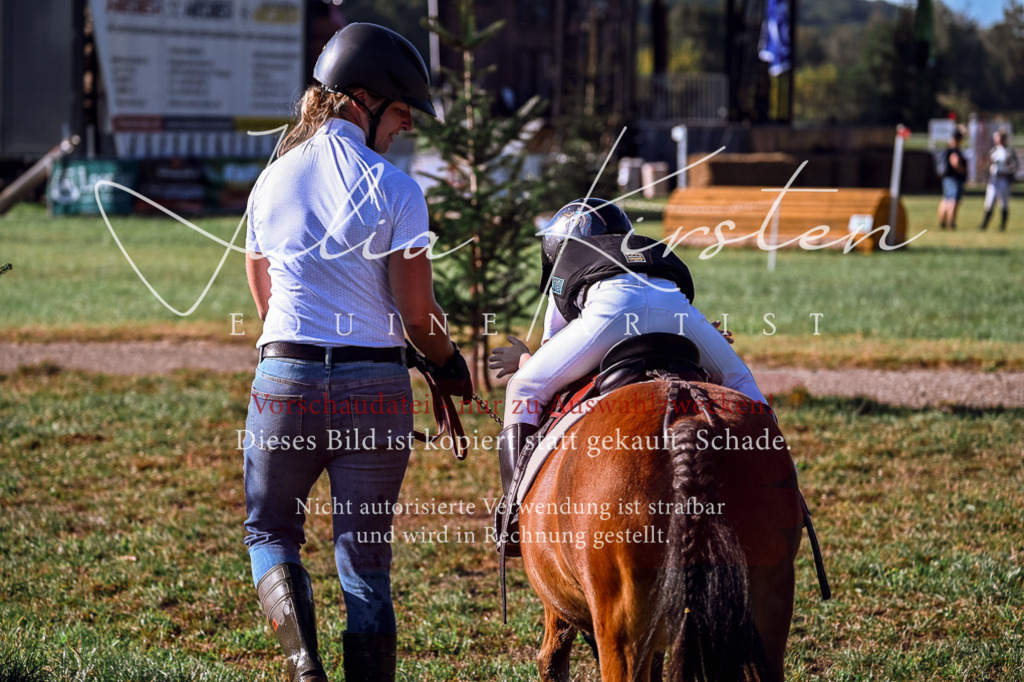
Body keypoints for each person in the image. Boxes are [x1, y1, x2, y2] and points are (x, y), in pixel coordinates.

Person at [242, 23, 472, 682]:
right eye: (401, 111)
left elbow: (265, 303)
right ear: (361, 99)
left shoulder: (270, 185)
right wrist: (450, 367)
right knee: (365, 561)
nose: (406, 126)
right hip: (374, 388)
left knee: (270, 532)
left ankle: (303, 663)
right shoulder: (398, 191)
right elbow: (418, 314)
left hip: (283, 380)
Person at [488, 198, 769, 544]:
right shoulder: (644, 248)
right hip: (675, 309)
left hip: (611, 311)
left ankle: (515, 513)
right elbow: (673, 299)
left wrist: (525, 362)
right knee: (740, 381)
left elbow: (553, 350)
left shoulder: (568, 259)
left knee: (524, 388)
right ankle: (785, 485)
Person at [980, 129, 1018, 231]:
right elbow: (986, 166)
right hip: (993, 180)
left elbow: (1014, 166)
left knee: (1004, 203)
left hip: (1003, 179)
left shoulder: (1009, 151)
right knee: (989, 201)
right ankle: (984, 225)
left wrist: (1006, 171)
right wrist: (987, 163)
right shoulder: (993, 151)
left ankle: (1002, 225)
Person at [937, 127, 967, 230]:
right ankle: (951, 222)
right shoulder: (955, 150)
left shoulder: (948, 148)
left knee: (945, 199)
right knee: (953, 200)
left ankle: (942, 222)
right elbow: (955, 162)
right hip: (954, 178)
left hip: (947, 178)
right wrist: (962, 170)